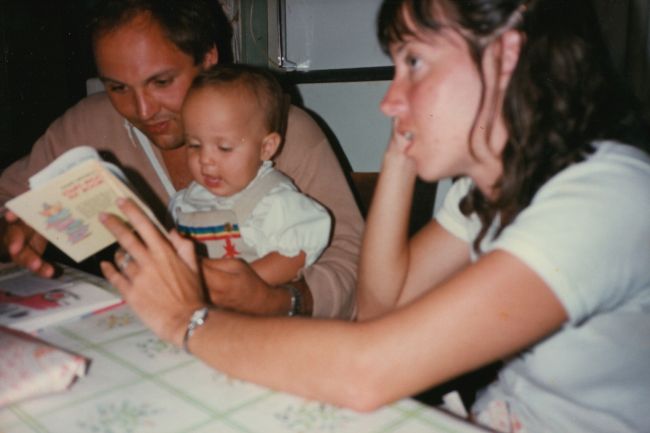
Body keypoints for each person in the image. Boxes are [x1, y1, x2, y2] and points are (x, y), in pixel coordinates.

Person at [98, 0, 649, 432]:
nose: (390, 99)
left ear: (506, 57)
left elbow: (369, 370)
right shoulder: (488, 189)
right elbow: (380, 306)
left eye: (414, 62)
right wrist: (399, 157)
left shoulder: (604, 199)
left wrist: (185, 320)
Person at [0, 0, 362, 319]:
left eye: (161, 82)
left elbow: (353, 259)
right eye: (118, 87)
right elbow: (7, 199)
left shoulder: (284, 131)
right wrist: (13, 233)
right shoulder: (86, 125)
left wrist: (279, 300)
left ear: (207, 58)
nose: (142, 110)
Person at [170, 64, 331, 288]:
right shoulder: (188, 199)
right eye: (194, 145)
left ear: (266, 147)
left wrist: (241, 284)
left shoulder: (274, 201)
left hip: (251, 313)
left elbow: (296, 254)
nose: (205, 159)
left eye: (224, 147)